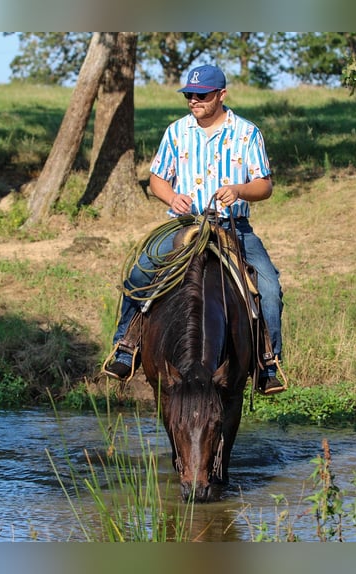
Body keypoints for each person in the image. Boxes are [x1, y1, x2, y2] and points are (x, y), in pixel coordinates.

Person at [102, 64, 285, 395]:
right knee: (139, 274)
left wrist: (240, 190)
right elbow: (157, 179)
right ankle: (126, 348)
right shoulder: (176, 132)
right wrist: (172, 196)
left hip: (232, 226)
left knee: (269, 287)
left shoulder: (247, 133)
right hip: (185, 225)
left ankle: (267, 364)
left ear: (221, 95)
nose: (193, 101)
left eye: (201, 95)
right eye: (189, 95)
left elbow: (265, 185)